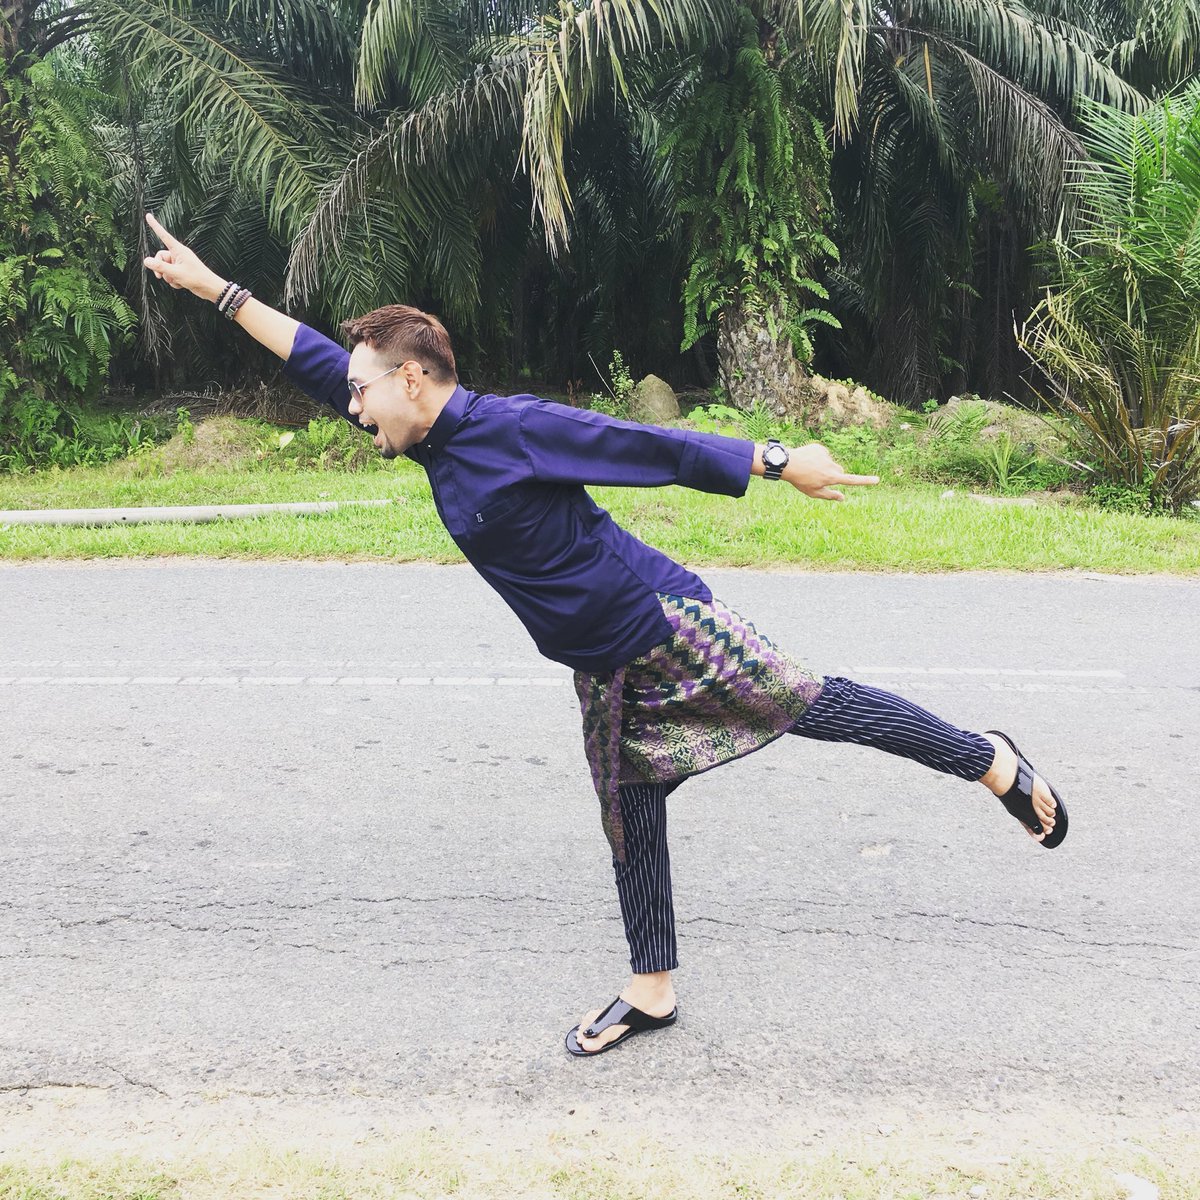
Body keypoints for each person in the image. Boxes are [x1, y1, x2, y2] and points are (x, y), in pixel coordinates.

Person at [142, 212, 1068, 1058]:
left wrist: (779, 460)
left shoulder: (512, 429)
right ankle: (652, 990)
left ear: (410, 380)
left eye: (361, 391)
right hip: (601, 664)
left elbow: (646, 447)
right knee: (631, 812)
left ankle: (989, 759)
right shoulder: (427, 440)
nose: (350, 406)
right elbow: (313, 356)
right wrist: (214, 288)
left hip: (662, 625)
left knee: (816, 706)